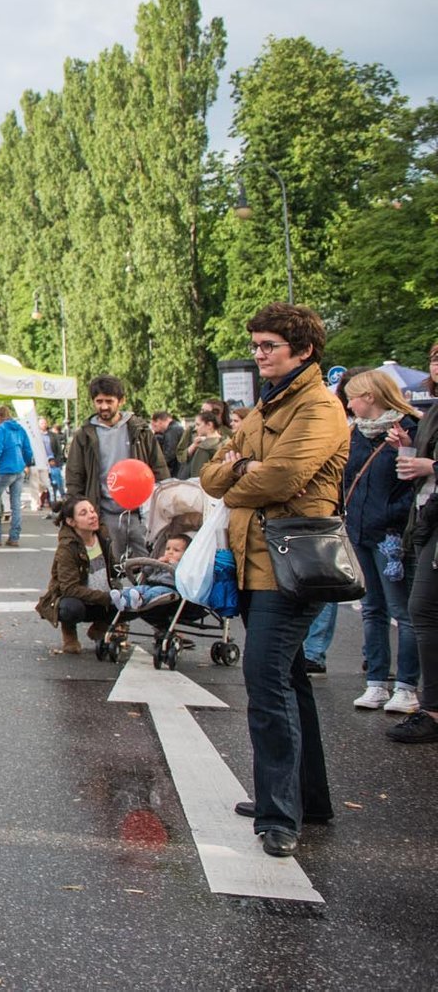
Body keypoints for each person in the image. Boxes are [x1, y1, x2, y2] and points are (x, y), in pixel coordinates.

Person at [200, 303, 346, 857]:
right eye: (257, 345)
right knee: (288, 679)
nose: (259, 354)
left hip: (292, 564)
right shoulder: (269, 405)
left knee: (267, 684)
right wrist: (242, 469)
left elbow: (282, 477)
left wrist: (241, 471)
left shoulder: (317, 407)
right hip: (258, 561)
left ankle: (279, 814)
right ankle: (307, 798)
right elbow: (214, 470)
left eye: (269, 346)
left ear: (303, 350)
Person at [337, 368, 422, 713]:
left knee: (402, 611)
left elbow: (412, 482)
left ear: (369, 397)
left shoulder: (408, 428)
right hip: (359, 529)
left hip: (391, 534)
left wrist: (392, 514)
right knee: (372, 609)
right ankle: (376, 682)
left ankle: (406, 685)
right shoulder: (355, 432)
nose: (348, 402)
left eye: (352, 396)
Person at [387, 338, 438, 744]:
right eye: (436, 358)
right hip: (425, 518)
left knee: (422, 610)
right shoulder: (433, 410)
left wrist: (430, 463)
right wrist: (406, 448)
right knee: (422, 611)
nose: (437, 365)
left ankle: (431, 709)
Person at [64, 375, 170, 562]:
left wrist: (164, 502)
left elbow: (158, 467)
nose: (104, 406)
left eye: (109, 401)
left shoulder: (140, 431)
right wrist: (75, 509)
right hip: (104, 512)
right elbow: (75, 475)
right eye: (99, 401)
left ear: (121, 401)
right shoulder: (84, 435)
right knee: (109, 565)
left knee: (150, 563)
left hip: (140, 513)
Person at [37, 496, 117, 654]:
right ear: (71, 521)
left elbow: (113, 569)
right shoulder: (67, 547)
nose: (92, 515)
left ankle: (100, 627)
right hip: (79, 600)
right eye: (83, 513)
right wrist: (105, 597)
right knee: (71, 608)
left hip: (103, 596)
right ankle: (69, 633)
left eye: (92, 511)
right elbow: (69, 588)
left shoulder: (103, 535)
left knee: (134, 601)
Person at [0, 404, 34, 546]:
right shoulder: (20, 429)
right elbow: (28, 450)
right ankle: (14, 537)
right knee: (16, 504)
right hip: (19, 469)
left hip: (5, 469)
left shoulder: (1, 429)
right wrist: (26, 463)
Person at [179, 409, 225, 479]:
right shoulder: (227, 441)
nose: (196, 428)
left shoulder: (204, 448)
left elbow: (196, 475)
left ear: (209, 425)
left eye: (198, 424)